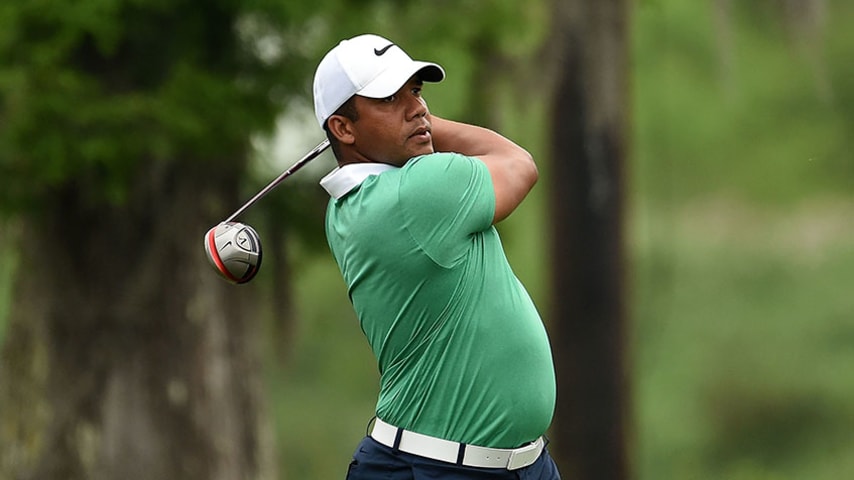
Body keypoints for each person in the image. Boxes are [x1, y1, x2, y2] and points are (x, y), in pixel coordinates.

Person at [313, 33, 560, 479]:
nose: (418, 107)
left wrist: (407, 122)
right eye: (389, 98)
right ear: (343, 128)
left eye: (417, 92)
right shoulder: (415, 192)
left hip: (510, 466)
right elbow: (519, 164)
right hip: (440, 468)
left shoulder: (347, 205)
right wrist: (425, 125)